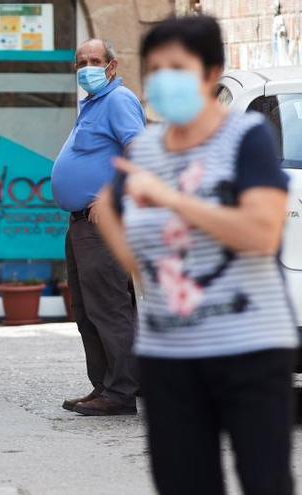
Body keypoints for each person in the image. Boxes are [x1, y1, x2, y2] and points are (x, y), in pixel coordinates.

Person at [97, 15, 298, 495]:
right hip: (171, 355)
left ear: (210, 74)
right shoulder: (143, 151)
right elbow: (138, 263)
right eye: (155, 69)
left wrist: (172, 201)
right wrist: (111, 218)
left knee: (264, 480)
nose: (165, 80)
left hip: (249, 347)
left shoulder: (247, 138)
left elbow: (262, 233)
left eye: (178, 68)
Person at [51, 38, 144, 416]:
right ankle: (104, 386)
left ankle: (121, 392)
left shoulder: (119, 100)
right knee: (88, 310)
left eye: (94, 60)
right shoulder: (93, 103)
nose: (86, 67)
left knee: (108, 308)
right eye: (80, 62)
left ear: (112, 66)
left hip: (102, 224)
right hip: (81, 225)